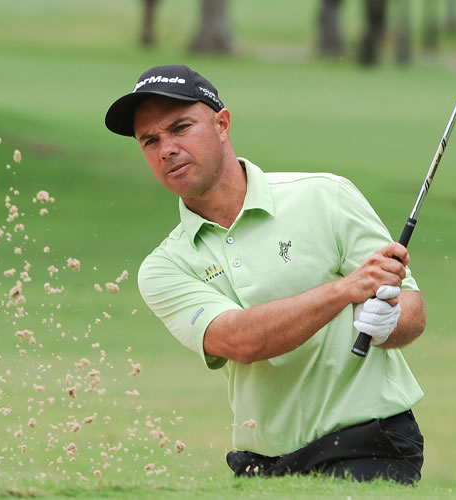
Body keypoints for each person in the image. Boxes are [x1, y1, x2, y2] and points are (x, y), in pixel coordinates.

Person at [104, 65, 427, 483]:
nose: (166, 149)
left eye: (180, 128)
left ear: (222, 124)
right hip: (263, 461)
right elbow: (241, 341)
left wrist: (388, 324)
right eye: (150, 140)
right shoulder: (165, 266)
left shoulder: (324, 195)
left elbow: (411, 307)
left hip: (369, 441)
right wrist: (344, 291)